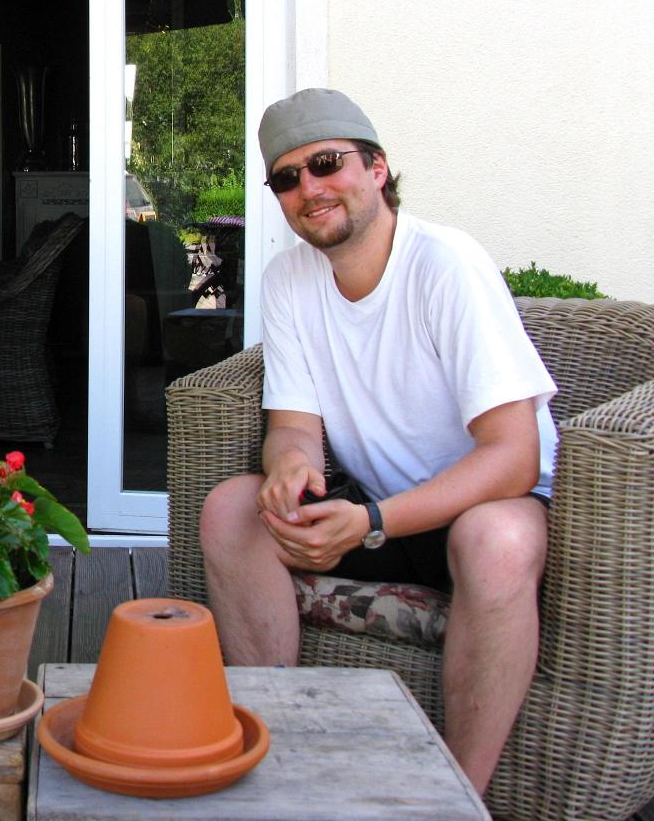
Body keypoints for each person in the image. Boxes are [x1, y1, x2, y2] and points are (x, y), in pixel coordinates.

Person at [198, 88, 556, 795]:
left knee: (496, 540)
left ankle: (459, 798)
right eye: (287, 178)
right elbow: (294, 426)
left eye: (327, 164)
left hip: (480, 506)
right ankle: (273, 754)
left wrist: (372, 521)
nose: (310, 188)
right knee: (232, 510)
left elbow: (514, 456)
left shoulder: (446, 265)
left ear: (378, 168)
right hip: (375, 508)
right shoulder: (289, 279)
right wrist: (290, 469)